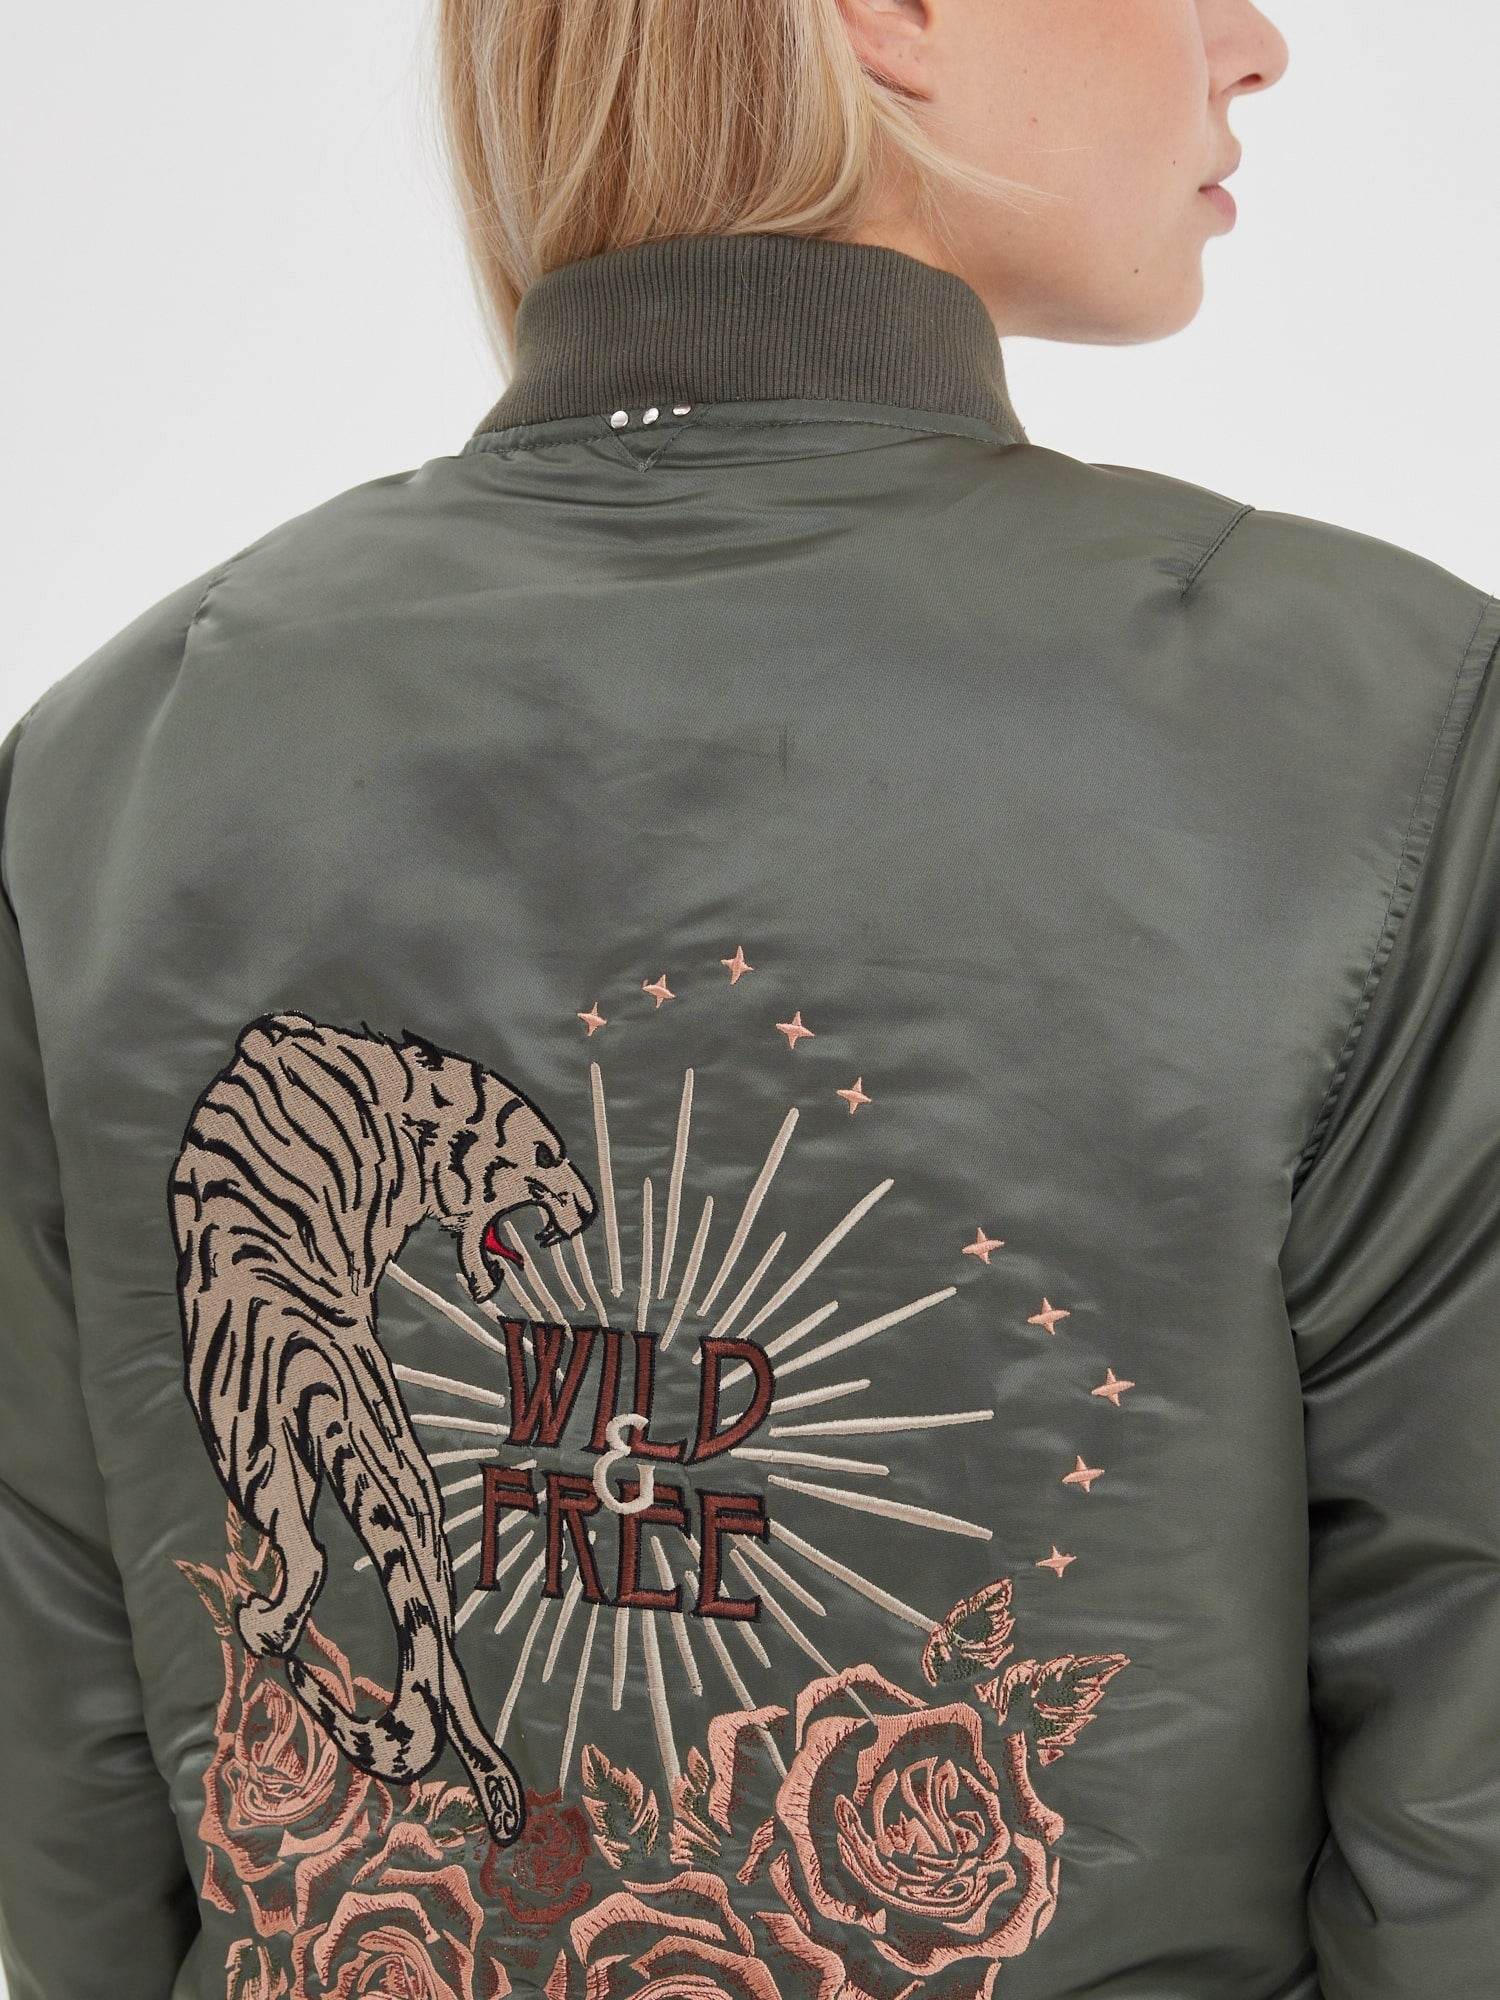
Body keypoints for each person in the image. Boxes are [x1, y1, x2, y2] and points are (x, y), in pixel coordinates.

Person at [1, 1, 1495, 1995]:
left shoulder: (112, 757)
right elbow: (1467, 1774)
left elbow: (78, 1795)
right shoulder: (1380, 728)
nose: (1255, 42)